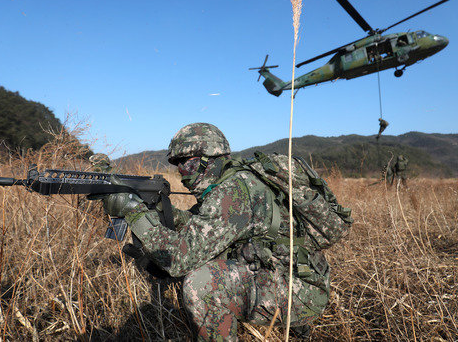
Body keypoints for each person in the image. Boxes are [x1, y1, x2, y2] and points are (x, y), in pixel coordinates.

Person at [101, 123, 349, 340]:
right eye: (177, 165)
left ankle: (295, 319)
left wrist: (135, 214)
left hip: (300, 291)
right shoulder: (236, 182)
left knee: (203, 282)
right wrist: (160, 212)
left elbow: (179, 259)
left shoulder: (233, 192)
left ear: (209, 159)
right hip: (288, 274)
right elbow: (204, 228)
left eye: (186, 164)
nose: (180, 172)